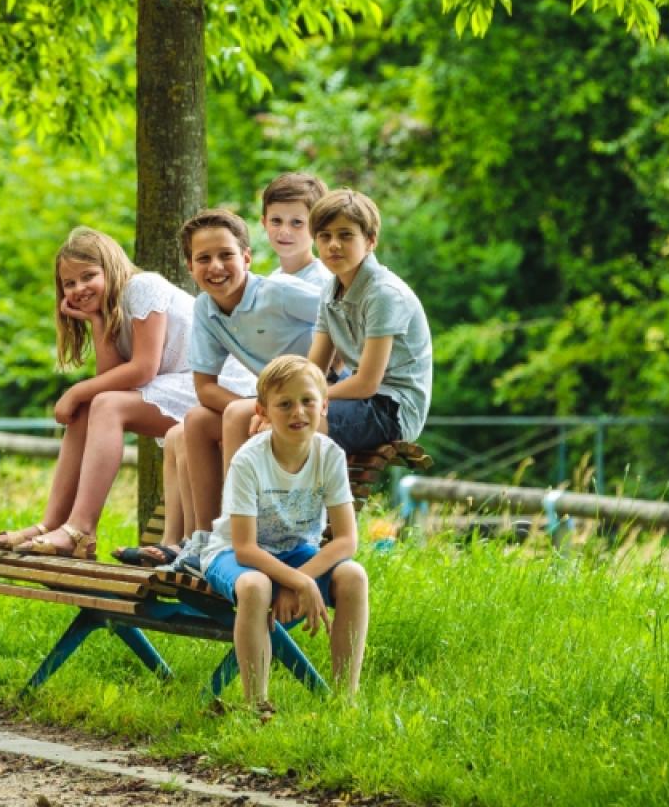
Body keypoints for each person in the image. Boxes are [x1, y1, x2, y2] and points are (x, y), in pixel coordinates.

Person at [118, 210, 319, 567]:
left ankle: (234, 535)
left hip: (314, 400)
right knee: (195, 420)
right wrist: (265, 410)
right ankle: (204, 539)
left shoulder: (279, 293)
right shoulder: (206, 310)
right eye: (203, 259)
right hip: (272, 404)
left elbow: (338, 314)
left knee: (236, 412)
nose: (216, 267)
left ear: (246, 257)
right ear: (190, 266)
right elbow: (205, 388)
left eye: (226, 255)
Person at [0, 227, 199, 559]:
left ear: (111, 268)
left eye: (88, 276)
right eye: (69, 284)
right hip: (178, 387)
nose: (78, 289)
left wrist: (76, 390)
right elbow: (110, 383)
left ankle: (80, 529)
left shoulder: (143, 287)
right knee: (90, 408)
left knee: (95, 401)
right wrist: (97, 324)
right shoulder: (112, 310)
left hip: (210, 385)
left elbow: (143, 368)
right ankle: (54, 524)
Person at [199, 355, 368, 715]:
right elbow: (244, 549)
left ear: (324, 405)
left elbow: (345, 541)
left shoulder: (330, 456)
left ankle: (344, 701)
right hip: (233, 553)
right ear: (262, 410)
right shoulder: (249, 460)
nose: (298, 412)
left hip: (294, 553)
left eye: (308, 401)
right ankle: (256, 704)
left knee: (353, 575)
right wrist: (300, 583)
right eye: (284, 404)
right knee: (256, 586)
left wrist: (298, 581)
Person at [307, 188, 434, 452]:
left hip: (393, 407)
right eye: (324, 236)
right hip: (359, 399)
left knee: (295, 419)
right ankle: (238, 495)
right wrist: (290, 394)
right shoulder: (330, 291)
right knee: (246, 414)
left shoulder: (383, 294)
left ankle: (299, 494)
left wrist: (306, 397)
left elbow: (367, 383)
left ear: (370, 241)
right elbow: (313, 369)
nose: (333, 244)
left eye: (345, 235)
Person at [258, 172, 336, 293]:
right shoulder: (272, 280)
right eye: (276, 221)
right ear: (264, 223)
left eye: (296, 222)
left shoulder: (322, 285)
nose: (284, 231)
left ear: (317, 227)